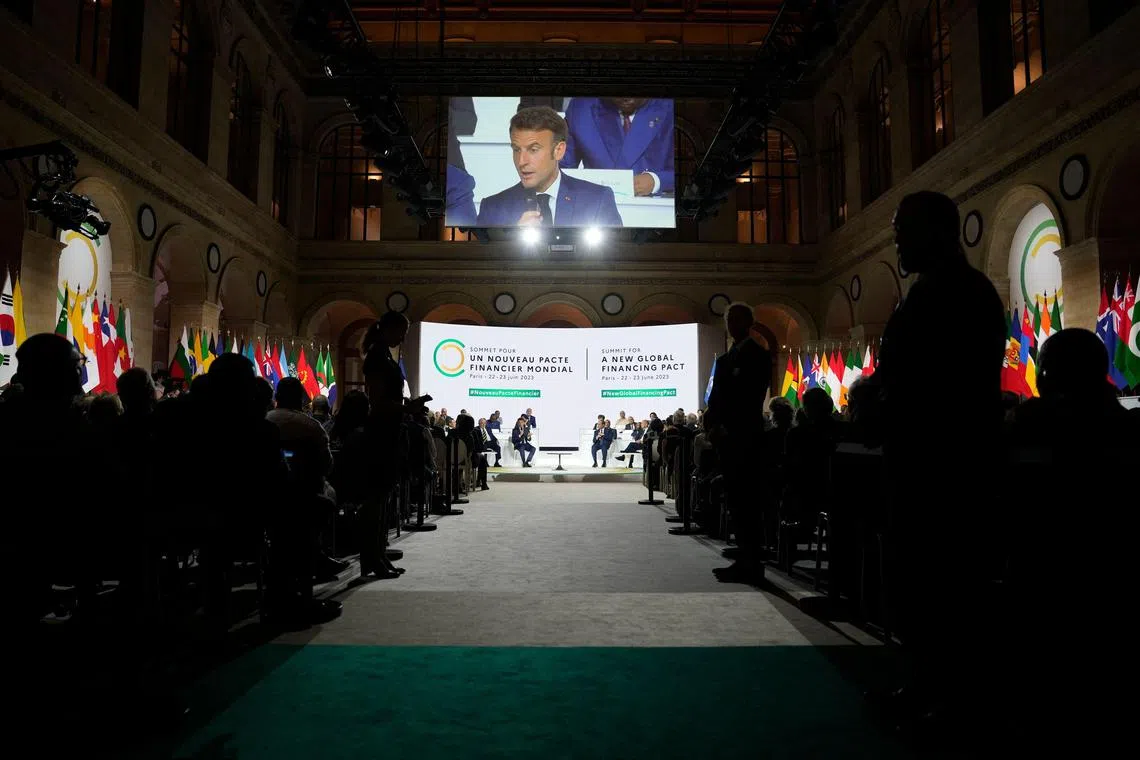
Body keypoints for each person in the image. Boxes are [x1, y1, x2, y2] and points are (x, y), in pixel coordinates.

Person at [869, 191, 1006, 733]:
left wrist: (890, 395)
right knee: (922, 583)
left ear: (936, 229)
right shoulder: (925, 290)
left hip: (949, 464)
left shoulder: (962, 292)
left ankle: (959, 700)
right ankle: (928, 682)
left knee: (952, 584)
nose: (897, 239)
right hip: (919, 458)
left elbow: (950, 382)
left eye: (904, 228)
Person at [706, 302, 773, 583]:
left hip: (744, 437)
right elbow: (716, 399)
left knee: (747, 502)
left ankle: (752, 562)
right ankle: (744, 558)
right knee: (735, 500)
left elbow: (748, 398)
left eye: (737, 319)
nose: (731, 324)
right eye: (728, 319)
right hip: (727, 438)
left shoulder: (757, 356)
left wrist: (727, 427)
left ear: (749, 322)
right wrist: (714, 426)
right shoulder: (725, 359)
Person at [476, 106, 623, 228]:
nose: (521, 161)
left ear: (559, 150)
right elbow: (482, 262)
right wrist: (512, 242)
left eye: (533, 150)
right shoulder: (492, 209)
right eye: (516, 149)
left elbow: (617, 260)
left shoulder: (597, 200)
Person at [359, 311, 412, 579]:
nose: (403, 337)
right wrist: (408, 408)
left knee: (383, 498)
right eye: (401, 331)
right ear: (389, 329)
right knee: (376, 500)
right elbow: (379, 402)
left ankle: (378, 554)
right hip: (380, 433)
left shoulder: (384, 355)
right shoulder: (378, 357)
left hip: (389, 431)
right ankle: (371, 558)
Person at [561, 97, 674, 196]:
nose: (626, 98)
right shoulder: (581, 108)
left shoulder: (670, 107)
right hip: (595, 206)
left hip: (656, 206)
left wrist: (656, 181)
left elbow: (687, 172)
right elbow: (561, 166)